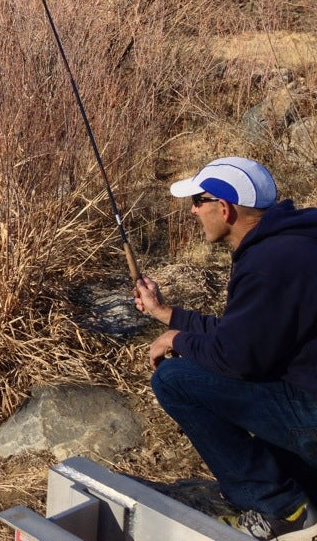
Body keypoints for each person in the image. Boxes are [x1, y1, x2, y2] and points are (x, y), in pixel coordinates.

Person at [134, 156, 317, 541]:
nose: (193, 211)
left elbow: (236, 357)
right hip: (306, 389)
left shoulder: (268, 263)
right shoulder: (293, 244)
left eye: (197, 202)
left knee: (174, 379)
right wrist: (166, 314)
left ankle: (282, 509)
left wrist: (177, 340)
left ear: (225, 208)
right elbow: (248, 335)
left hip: (310, 410)